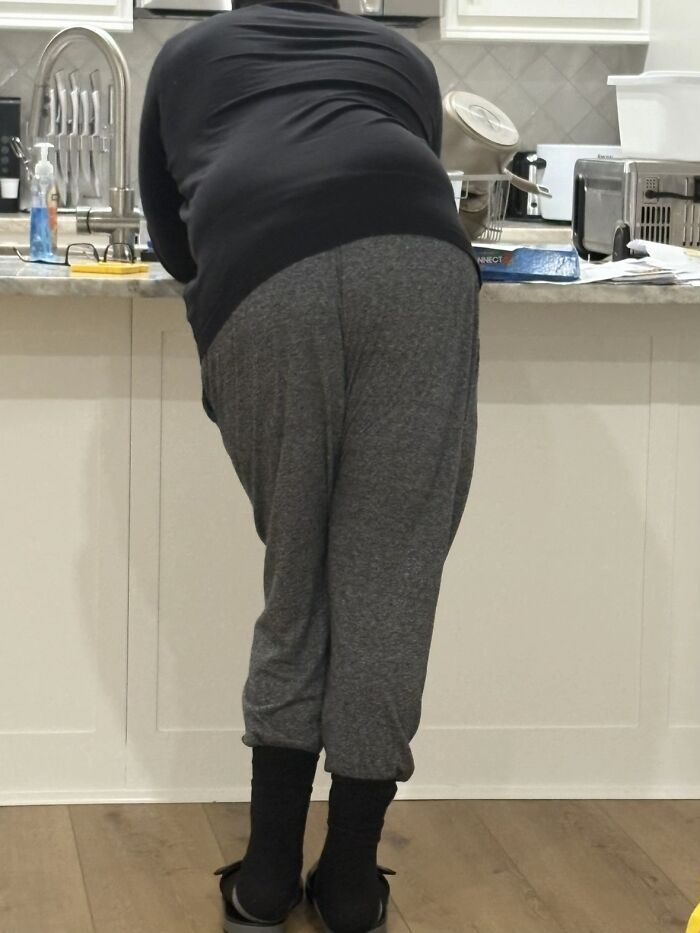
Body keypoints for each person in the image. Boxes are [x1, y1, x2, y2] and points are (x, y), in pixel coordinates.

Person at [138, 1, 481, 930]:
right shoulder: (398, 56)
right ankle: (352, 886)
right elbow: (405, 170)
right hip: (419, 264)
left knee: (299, 574)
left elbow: (171, 235)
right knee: (390, 580)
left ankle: (264, 879)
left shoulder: (187, 56)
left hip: (260, 273)